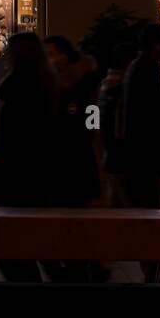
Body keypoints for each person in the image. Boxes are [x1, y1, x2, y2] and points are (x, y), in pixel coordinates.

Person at [0, 33, 62, 282]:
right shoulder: (45, 85)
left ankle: (31, 285)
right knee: (30, 242)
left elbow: (10, 141)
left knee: (9, 245)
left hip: (15, 179)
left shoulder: (18, 89)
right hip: (37, 177)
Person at [122, 23, 160, 283]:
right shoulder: (147, 72)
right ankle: (153, 275)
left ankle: (152, 272)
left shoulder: (139, 69)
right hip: (146, 162)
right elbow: (155, 122)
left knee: (146, 218)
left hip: (139, 160)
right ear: (156, 44)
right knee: (152, 220)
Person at [44, 35, 102, 209]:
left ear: (64, 57)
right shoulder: (51, 86)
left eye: (49, 54)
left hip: (78, 163)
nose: (46, 60)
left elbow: (94, 124)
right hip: (66, 164)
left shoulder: (85, 86)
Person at [97, 42, 138, 208]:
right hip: (121, 154)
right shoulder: (123, 90)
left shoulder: (102, 87)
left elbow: (93, 122)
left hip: (109, 155)